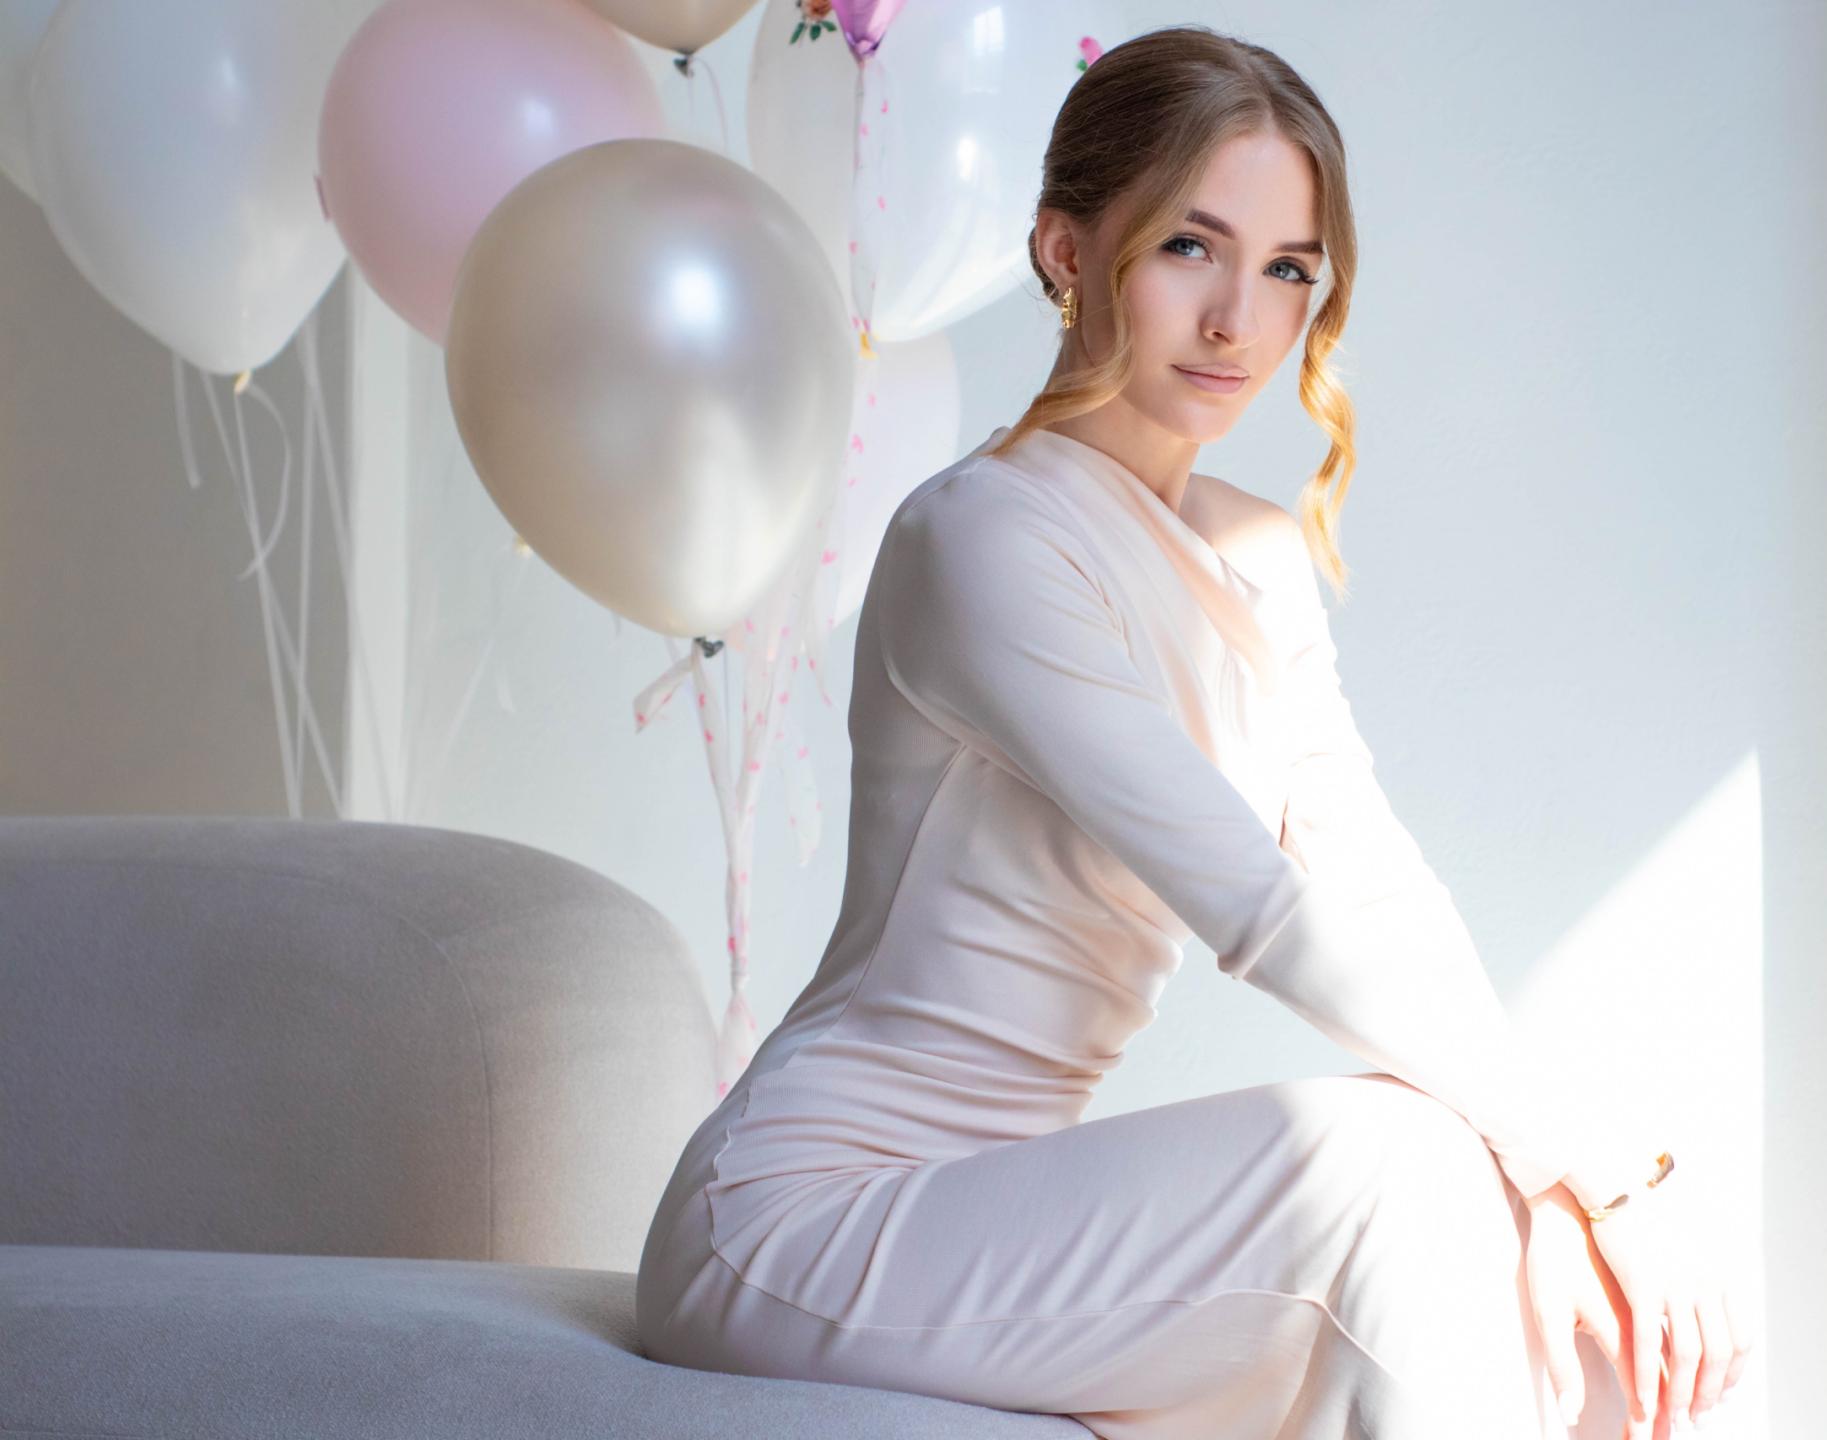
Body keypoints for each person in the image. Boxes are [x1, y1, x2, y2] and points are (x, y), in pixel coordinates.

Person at [635, 23, 1753, 1439]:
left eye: (1287, 269)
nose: (1238, 319)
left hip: (999, 1216)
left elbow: (1375, 889)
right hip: (796, 1221)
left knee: (1556, 1302)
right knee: (1386, 1163)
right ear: (1066, 250)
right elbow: (1266, 912)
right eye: (1188, 248)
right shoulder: (981, 539)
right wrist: (1599, 1172)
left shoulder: (1257, 553)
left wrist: (1554, 1190)